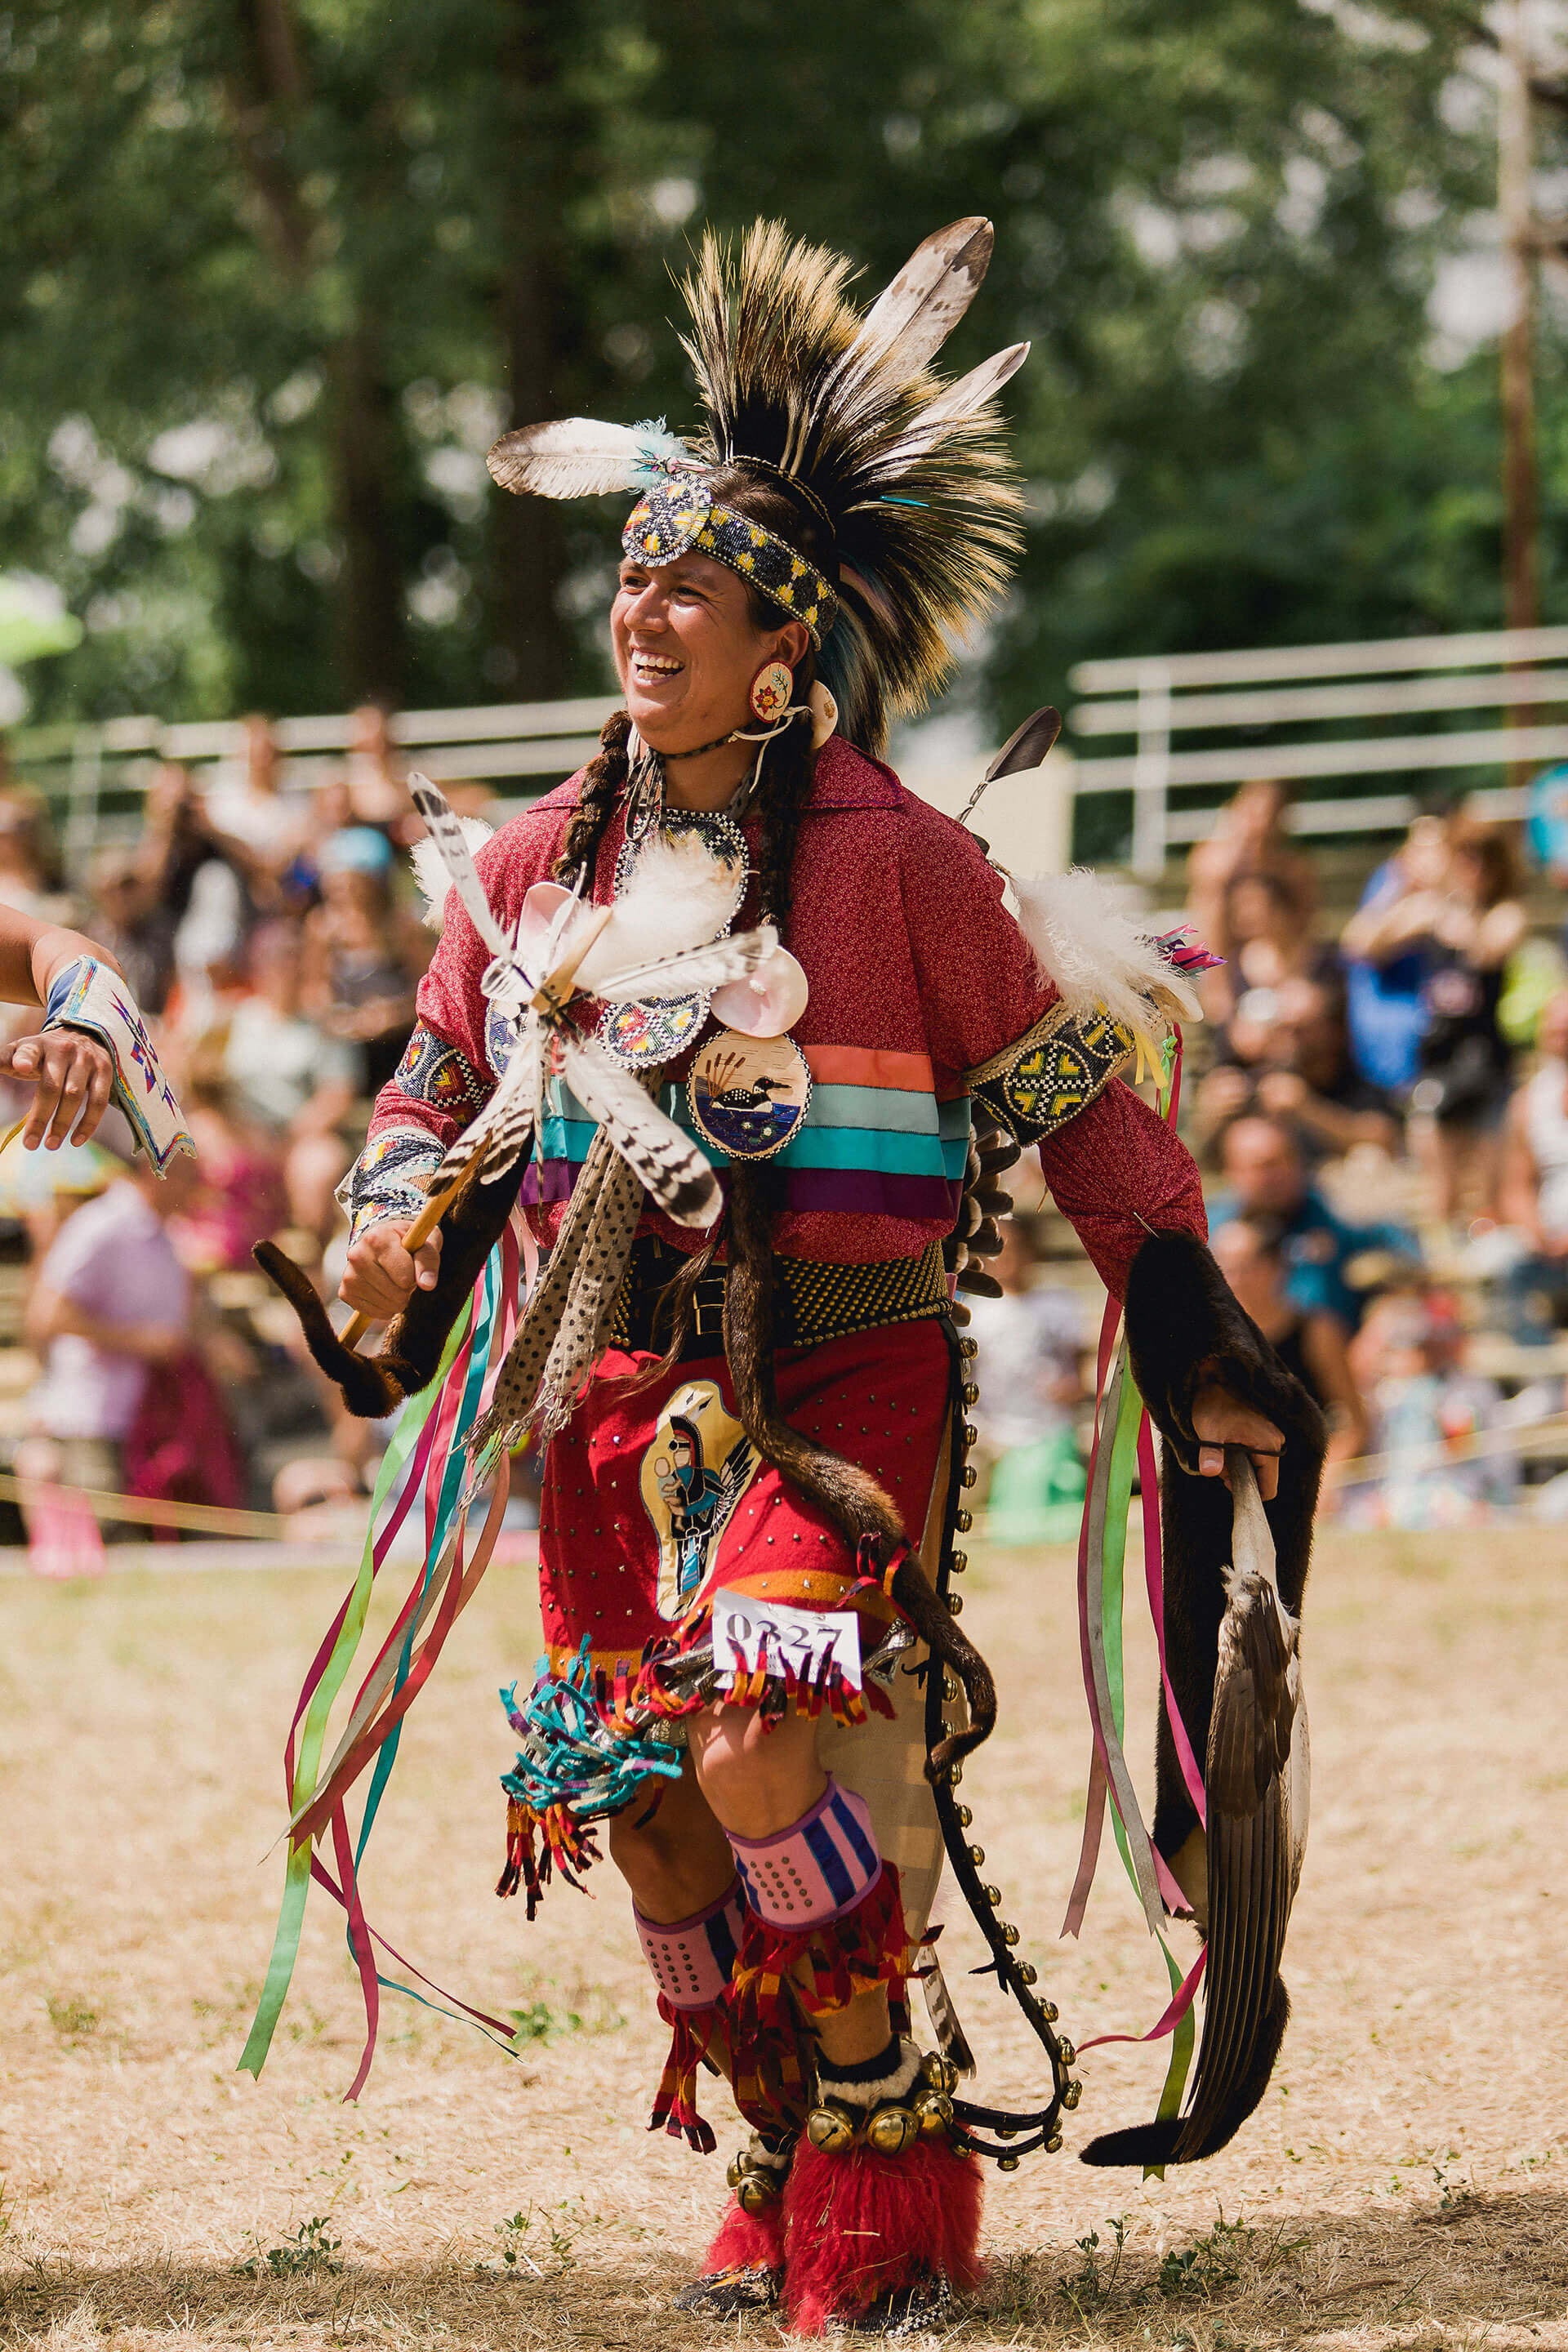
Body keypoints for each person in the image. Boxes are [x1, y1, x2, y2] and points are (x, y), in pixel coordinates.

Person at [252, 219, 1321, 2332]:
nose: (646, 609)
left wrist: (1186, 1315)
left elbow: (1084, 1100)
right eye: (632, 575)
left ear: (788, 652)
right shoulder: (521, 868)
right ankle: (773, 2135)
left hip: (844, 1384)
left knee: (758, 1750)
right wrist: (393, 1232)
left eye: (696, 585)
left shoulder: (906, 868)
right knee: (642, 1807)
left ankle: (884, 2139)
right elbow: (432, 1093)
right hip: (599, 1403)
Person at [1210, 1214, 1368, 1509]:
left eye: (1244, 1267)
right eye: (1222, 1268)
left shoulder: (1317, 1331)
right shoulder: (1210, 1340)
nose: (1232, 1279)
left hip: (1309, 1478)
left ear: (1276, 1267)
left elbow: (1355, 1424)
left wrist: (1327, 1479)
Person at [1210, 1111, 1415, 1333]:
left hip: (1329, 1353)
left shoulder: (1330, 1213)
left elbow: (1403, 1251)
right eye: (1265, 1166)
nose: (1280, 1174)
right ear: (1233, 1172)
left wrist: (1384, 1311)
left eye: (1288, 1159)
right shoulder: (1212, 1232)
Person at [299, 826, 428, 1094]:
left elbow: (430, 991)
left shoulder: (401, 927)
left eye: (351, 884)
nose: (341, 893)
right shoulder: (322, 928)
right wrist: (338, 1018)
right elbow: (312, 992)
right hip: (346, 1047)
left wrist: (391, 1015)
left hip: (400, 1043)